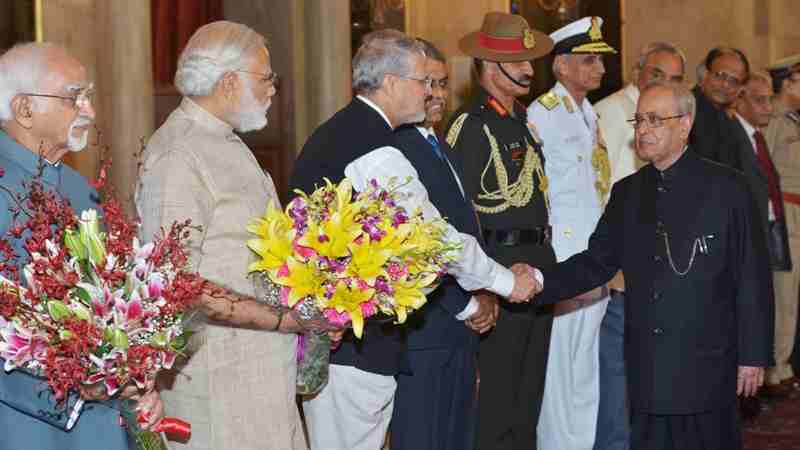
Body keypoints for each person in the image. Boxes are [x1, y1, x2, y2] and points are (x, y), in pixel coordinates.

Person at [292, 29, 539, 450]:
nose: (430, 92)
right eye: (423, 82)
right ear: (391, 83)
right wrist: (506, 282)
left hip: (349, 341)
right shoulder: (373, 147)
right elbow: (434, 237)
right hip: (350, 345)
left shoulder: (345, 129)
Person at [524, 82, 773, 450]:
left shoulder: (728, 188)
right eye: (639, 120)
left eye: (655, 120)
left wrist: (753, 355)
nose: (643, 130)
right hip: (649, 365)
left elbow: (752, 276)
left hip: (709, 362)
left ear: (686, 124)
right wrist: (538, 280)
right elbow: (595, 263)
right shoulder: (627, 193)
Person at [136, 21, 320, 450]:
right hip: (219, 379)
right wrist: (282, 319)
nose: (274, 88)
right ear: (230, 82)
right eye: (267, 77)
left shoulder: (223, 139)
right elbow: (179, 284)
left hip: (260, 370)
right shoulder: (178, 154)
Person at [0, 42, 162, 449]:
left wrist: (137, 379)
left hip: (104, 423)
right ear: (24, 109)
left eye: (88, 97)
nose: (89, 110)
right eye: (75, 97)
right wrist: (77, 390)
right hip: (24, 426)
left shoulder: (81, 191)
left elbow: (119, 304)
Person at [444, 12, 555, 450]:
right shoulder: (470, 125)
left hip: (538, 263)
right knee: (496, 395)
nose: (530, 69)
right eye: (520, 61)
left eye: (530, 60)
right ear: (490, 65)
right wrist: (479, 286)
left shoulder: (521, 117)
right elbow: (457, 214)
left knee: (528, 395)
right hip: (498, 266)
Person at [389, 39, 497, 450]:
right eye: (427, 83)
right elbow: (413, 244)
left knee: (456, 436)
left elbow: (464, 229)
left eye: (443, 83)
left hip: (460, 328)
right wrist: (464, 303)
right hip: (427, 326)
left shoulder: (440, 144)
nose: (436, 94)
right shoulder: (396, 147)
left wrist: (483, 291)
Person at [526, 16, 616, 450]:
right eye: (589, 60)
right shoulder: (541, 115)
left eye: (600, 60)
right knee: (560, 365)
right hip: (564, 258)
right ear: (561, 66)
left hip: (593, 256)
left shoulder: (589, 114)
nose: (599, 68)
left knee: (585, 366)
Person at [592, 40, 686, 450]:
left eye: (675, 78)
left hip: (663, 269)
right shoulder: (611, 112)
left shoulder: (672, 113)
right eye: (656, 74)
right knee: (616, 375)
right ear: (636, 71)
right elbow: (603, 189)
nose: (664, 83)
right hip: (620, 267)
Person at [766, 54, 800, 394]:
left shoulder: (793, 119)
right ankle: (776, 368)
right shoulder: (773, 119)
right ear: (787, 83)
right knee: (783, 294)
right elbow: (767, 170)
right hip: (786, 212)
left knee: (792, 295)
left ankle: (784, 362)